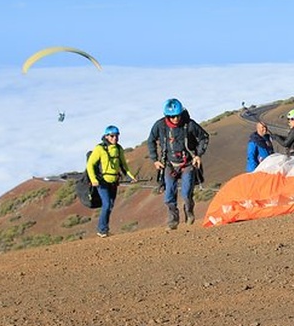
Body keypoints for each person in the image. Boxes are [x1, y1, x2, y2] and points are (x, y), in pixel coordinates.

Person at [147, 98, 210, 230]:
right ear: (167, 116)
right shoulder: (160, 126)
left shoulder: (189, 125)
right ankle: (173, 220)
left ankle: (189, 211)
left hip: (187, 163)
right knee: (169, 193)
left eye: (177, 115)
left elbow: (204, 137)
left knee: (186, 193)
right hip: (169, 164)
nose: (175, 119)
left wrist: (198, 155)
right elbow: (151, 141)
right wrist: (155, 159)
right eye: (172, 116)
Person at [86, 125, 136, 238]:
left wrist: (131, 176)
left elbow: (124, 165)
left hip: (113, 181)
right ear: (107, 136)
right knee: (107, 204)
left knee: (110, 205)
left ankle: (104, 229)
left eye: (117, 136)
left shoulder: (119, 149)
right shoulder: (99, 149)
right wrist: (93, 179)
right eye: (112, 136)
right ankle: (102, 229)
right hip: (101, 181)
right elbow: (90, 164)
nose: (115, 138)